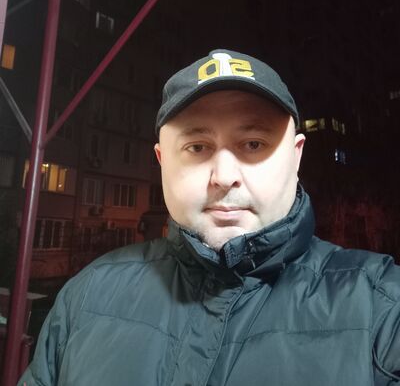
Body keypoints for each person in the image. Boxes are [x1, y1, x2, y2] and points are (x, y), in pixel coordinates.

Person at [19, 49, 400, 385]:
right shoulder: (89, 294)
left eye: (253, 144)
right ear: (162, 160)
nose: (224, 176)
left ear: (296, 156)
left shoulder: (382, 306)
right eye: (197, 147)